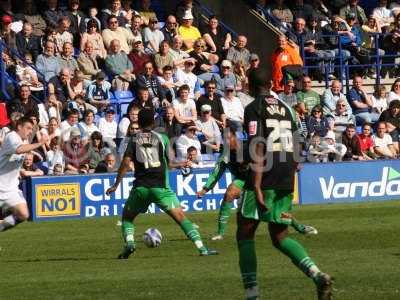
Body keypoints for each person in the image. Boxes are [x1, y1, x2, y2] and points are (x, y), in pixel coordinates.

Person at [239, 87, 333, 299]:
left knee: (245, 233)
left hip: (265, 175)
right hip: (286, 174)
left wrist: (256, 186)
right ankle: (317, 275)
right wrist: (293, 165)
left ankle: (252, 294)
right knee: (280, 237)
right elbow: (298, 139)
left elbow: (257, 146)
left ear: (249, 85)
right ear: (271, 84)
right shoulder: (287, 108)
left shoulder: (254, 107)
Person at [105, 108, 218, 258]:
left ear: (139, 122)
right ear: (153, 122)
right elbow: (170, 163)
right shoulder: (162, 138)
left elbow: (125, 164)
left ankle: (130, 243)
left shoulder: (133, 139)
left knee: (127, 218)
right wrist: (181, 164)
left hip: (141, 188)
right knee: (181, 218)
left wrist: (116, 185)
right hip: (161, 188)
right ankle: (202, 248)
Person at [0, 117, 49, 232]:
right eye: (28, 128)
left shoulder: (23, 141)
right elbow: (19, 150)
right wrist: (39, 143)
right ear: (19, 127)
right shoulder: (12, 136)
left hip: (11, 188)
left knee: (23, 214)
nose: (30, 131)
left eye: (32, 129)